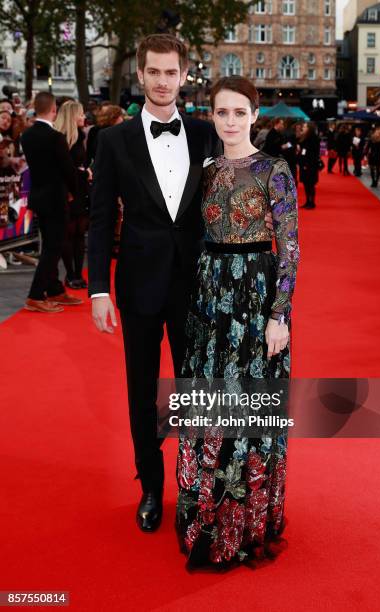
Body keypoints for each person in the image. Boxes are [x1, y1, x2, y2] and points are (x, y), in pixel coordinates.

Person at [88, 34, 221, 532]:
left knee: (192, 391)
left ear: (183, 76)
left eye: (172, 73)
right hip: (139, 285)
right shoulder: (113, 140)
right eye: (154, 72)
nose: (163, 82)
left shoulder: (208, 134)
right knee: (142, 392)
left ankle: (193, 488)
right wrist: (98, 288)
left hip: (195, 286)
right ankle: (150, 486)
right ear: (139, 75)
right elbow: (100, 220)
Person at [175, 76, 299, 569]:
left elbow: (289, 248)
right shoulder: (202, 171)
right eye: (221, 113)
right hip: (209, 297)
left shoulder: (276, 170)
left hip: (255, 294)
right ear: (212, 115)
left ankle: (246, 524)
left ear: (254, 114)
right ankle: (207, 519)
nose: (229, 121)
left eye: (238, 112)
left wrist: (279, 315)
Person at [21, 91, 82, 313]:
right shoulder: (55, 137)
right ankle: (35, 295)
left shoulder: (26, 136)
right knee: (53, 248)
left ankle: (55, 289)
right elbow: (68, 171)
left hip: (38, 198)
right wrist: (74, 192)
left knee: (50, 245)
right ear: (54, 109)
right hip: (56, 199)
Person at [55, 101, 91, 288]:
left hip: (81, 190)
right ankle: (70, 274)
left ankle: (77, 273)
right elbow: (63, 169)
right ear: (71, 116)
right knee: (69, 234)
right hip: (68, 192)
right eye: (81, 114)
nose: (84, 117)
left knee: (79, 233)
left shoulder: (80, 136)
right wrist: (84, 173)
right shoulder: (61, 139)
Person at [298, 122, 320, 209]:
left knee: (311, 184)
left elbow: (314, 154)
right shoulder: (304, 137)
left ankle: (312, 202)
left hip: (311, 165)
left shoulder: (314, 138)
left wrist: (307, 164)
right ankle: (307, 201)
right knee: (306, 184)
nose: (303, 128)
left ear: (309, 128)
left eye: (304, 126)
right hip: (304, 164)